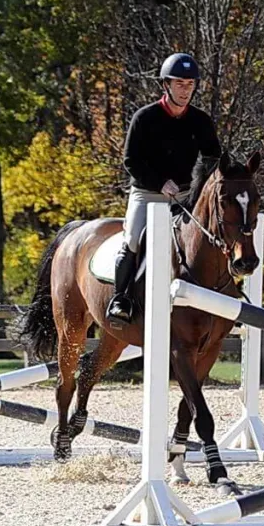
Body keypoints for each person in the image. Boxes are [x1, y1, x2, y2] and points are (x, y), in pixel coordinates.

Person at [108, 52, 222, 324]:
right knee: (133, 240)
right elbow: (130, 160)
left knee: (209, 237)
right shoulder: (144, 118)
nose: (186, 90)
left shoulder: (201, 121)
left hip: (184, 197)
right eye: (180, 84)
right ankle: (120, 299)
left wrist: (199, 189)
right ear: (166, 85)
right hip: (147, 194)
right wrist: (160, 182)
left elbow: (213, 159)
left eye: (190, 84)